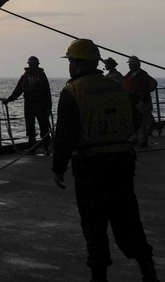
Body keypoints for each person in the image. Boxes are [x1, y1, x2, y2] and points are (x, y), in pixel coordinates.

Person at [52, 38, 158, 282]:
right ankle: (148, 272)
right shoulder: (117, 87)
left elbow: (65, 134)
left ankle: (99, 277)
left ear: (76, 64)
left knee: (94, 224)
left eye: (70, 61)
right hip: (121, 162)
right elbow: (136, 118)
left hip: (90, 166)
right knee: (129, 220)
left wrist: (58, 167)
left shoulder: (72, 91)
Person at [2, 55, 53, 154]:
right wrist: (9, 99)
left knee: (44, 127)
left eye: (33, 64)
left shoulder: (42, 76)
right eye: (31, 64)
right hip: (29, 104)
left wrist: (48, 108)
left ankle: (47, 146)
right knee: (30, 127)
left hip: (41, 105)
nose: (32, 66)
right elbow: (18, 90)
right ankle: (32, 147)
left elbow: (47, 92)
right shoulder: (25, 76)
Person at [125, 56, 158, 148]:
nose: (130, 66)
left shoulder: (142, 74)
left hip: (140, 100)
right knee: (133, 120)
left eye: (132, 64)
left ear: (137, 65)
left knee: (142, 121)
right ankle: (134, 138)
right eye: (130, 64)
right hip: (132, 100)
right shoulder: (130, 74)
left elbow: (145, 89)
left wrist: (143, 100)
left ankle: (143, 140)